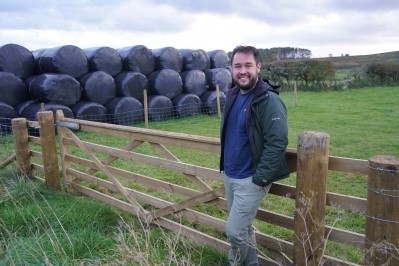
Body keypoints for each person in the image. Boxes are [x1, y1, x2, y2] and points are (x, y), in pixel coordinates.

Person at [220, 45, 290, 265]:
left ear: (258, 67)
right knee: (244, 228)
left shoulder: (268, 100)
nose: (243, 71)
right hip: (230, 176)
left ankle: (235, 263)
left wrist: (260, 179)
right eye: (237, 66)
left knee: (233, 231)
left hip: (251, 179)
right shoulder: (232, 95)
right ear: (231, 68)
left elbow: (277, 142)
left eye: (248, 65)